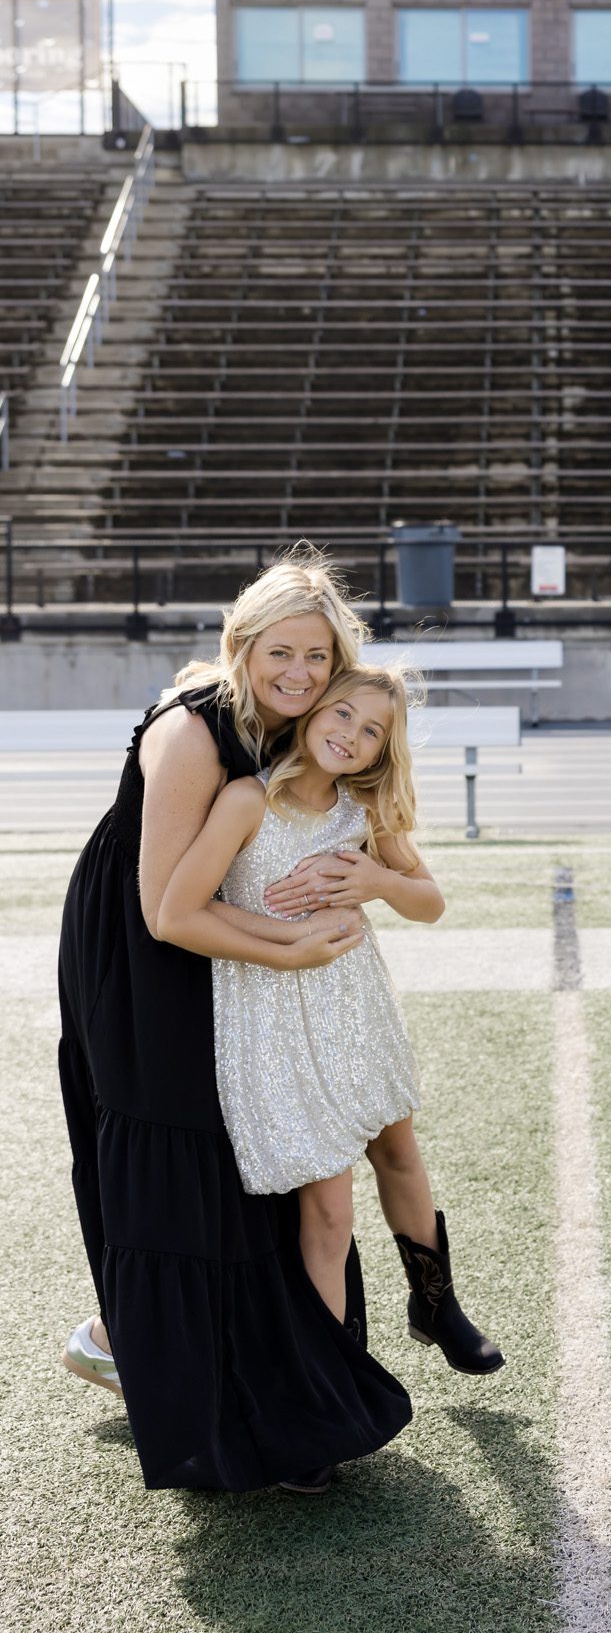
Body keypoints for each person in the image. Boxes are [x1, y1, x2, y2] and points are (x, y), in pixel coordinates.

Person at [57, 550, 413, 1494]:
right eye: (279, 653)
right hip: (144, 955)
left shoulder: (306, 725)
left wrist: (356, 886)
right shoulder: (190, 733)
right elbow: (163, 910)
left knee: (252, 1156)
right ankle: (148, 1366)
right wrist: (291, 946)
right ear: (241, 645)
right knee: (186, 1161)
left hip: (230, 942)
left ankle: (271, 1392)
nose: (300, 673)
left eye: (317, 656)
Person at [158, 663, 504, 1381]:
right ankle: (332, 1380)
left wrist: (378, 881)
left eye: (372, 730)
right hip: (273, 1017)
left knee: (399, 1152)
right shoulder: (245, 801)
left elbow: (430, 903)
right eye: (344, 714)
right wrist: (290, 938)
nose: (351, 735)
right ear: (313, 709)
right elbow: (182, 909)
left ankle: (435, 1304)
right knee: (328, 1210)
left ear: (382, 750)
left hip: (356, 1007)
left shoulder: (364, 811)